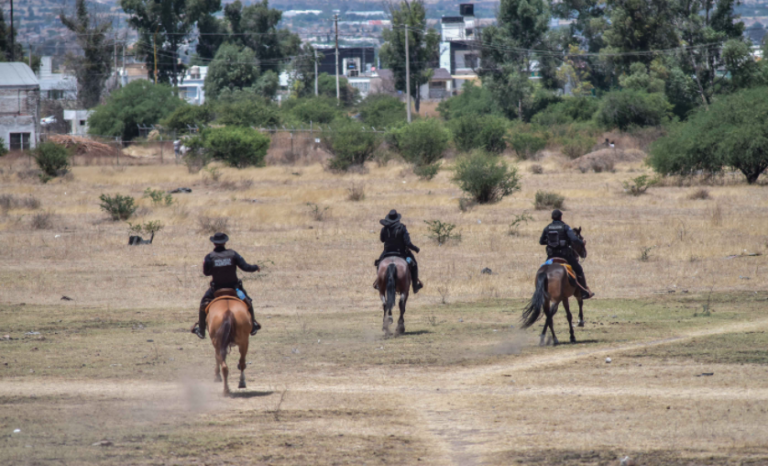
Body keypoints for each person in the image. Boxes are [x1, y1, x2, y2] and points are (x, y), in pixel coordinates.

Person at [192, 232, 262, 339]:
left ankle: (201, 330)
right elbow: (245, 267)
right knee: (248, 301)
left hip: (216, 289)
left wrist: (217, 270)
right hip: (235, 289)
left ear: (214, 244)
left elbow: (206, 272)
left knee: (203, 304)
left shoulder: (209, 257)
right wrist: (255, 267)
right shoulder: (233, 254)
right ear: (225, 242)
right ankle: (252, 326)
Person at [539, 210, 594, 299]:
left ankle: (541, 291)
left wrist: (551, 242)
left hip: (551, 257)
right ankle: (583, 292)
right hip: (565, 256)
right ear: (561, 217)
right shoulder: (565, 227)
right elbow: (574, 239)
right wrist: (582, 242)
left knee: (543, 271)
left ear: (552, 217)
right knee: (579, 270)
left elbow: (541, 242)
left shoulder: (547, 228)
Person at [374, 210, 423, 293]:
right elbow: (407, 243)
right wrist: (415, 249)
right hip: (402, 253)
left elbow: (382, 240)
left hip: (387, 252)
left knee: (379, 264)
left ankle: (379, 283)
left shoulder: (384, 228)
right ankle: (415, 286)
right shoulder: (402, 228)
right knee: (414, 264)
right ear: (397, 219)